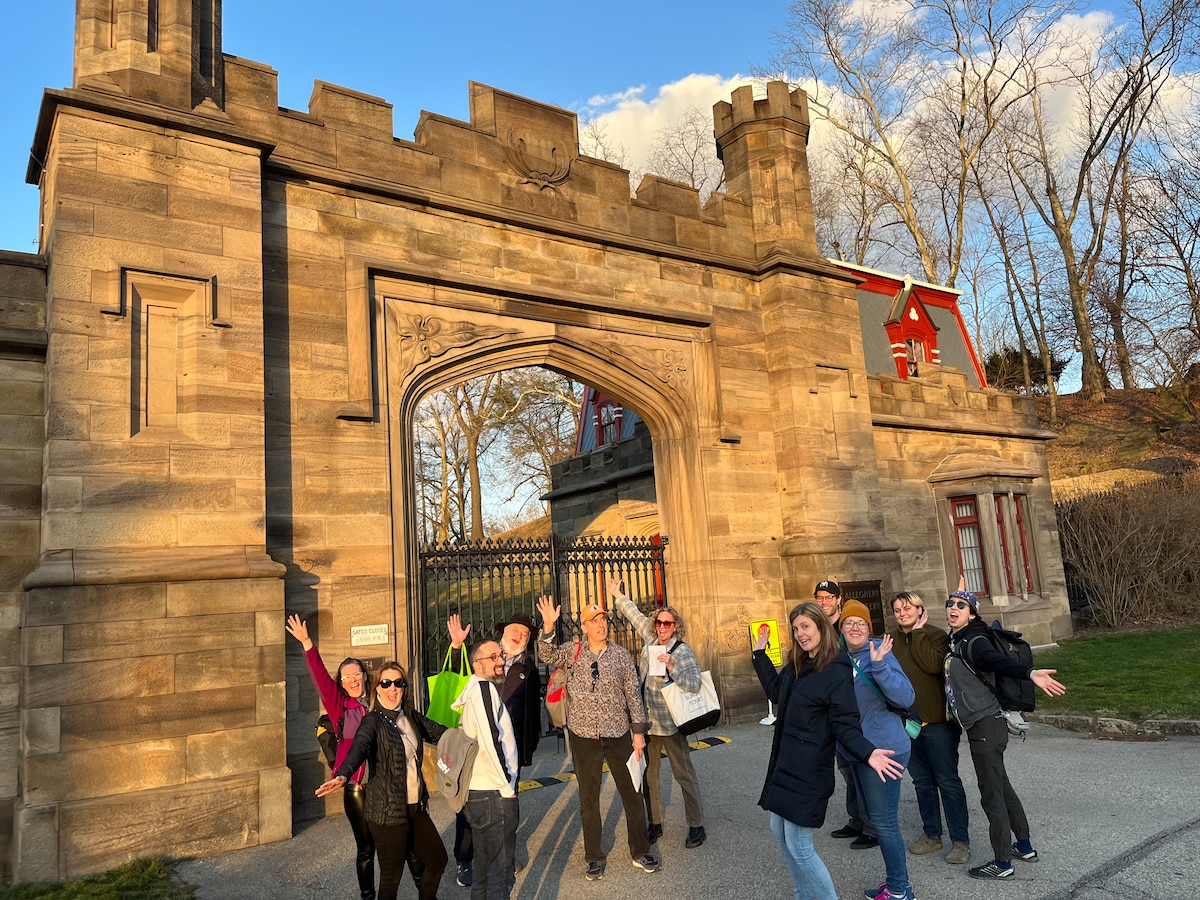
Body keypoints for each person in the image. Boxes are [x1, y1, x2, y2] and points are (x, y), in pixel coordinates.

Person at [753, 601, 905, 900]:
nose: (800, 634)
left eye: (805, 626)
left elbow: (845, 724)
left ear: (821, 627)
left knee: (800, 846)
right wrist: (760, 654)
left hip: (808, 770)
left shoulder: (835, 670)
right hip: (784, 764)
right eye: (795, 628)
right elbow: (776, 693)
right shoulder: (798, 665)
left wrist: (868, 753)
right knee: (780, 833)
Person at [536, 593, 660, 881]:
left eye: (603, 619)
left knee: (632, 793)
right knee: (588, 798)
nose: (601, 625)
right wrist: (548, 627)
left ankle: (640, 850)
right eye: (594, 620)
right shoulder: (573, 651)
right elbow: (546, 655)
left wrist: (638, 733)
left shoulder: (621, 655)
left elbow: (633, 695)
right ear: (584, 626)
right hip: (584, 736)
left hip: (618, 733)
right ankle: (594, 856)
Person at [944, 590, 1066, 880]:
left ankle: (1001, 863)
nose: (953, 608)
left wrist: (1030, 673)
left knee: (991, 795)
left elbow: (998, 661)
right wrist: (961, 589)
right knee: (1002, 786)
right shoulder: (959, 638)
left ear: (972, 614)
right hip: (986, 724)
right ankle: (1023, 846)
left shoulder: (975, 641)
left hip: (985, 725)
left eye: (961, 605)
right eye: (950, 604)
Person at [316, 661, 449, 900]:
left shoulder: (409, 715)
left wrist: (473, 737)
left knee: (438, 860)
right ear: (377, 687)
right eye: (386, 683)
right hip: (387, 811)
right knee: (391, 878)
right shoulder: (373, 720)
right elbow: (359, 747)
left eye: (398, 683)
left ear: (404, 687)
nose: (392, 688)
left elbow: (440, 732)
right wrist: (343, 774)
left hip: (415, 806)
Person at [607, 579, 707, 850]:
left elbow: (695, 684)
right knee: (649, 777)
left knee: (684, 775)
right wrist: (617, 594)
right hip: (648, 724)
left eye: (667, 624)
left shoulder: (682, 651)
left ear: (675, 627)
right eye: (659, 623)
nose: (662, 627)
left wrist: (673, 666)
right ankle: (656, 822)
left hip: (671, 724)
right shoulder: (651, 640)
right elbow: (634, 614)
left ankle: (696, 824)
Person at [445, 612, 542, 885]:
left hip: (508, 751)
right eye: (515, 629)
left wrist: (527, 749)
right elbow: (456, 677)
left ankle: (504, 858)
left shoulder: (528, 670)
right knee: (470, 808)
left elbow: (532, 713)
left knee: (506, 808)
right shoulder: (485, 657)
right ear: (503, 632)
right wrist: (456, 646)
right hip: (474, 750)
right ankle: (465, 860)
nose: (519, 636)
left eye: (524, 633)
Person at [285, 614, 377, 900]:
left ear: (365, 675)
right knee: (366, 847)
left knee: (392, 843)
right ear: (342, 682)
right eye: (346, 677)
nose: (352, 680)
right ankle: (367, 895)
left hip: (385, 783)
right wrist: (307, 644)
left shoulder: (378, 702)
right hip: (357, 786)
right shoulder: (340, 707)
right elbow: (321, 680)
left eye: (357, 674)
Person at [840, 600, 918, 900]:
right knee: (876, 819)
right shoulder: (842, 657)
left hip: (885, 750)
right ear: (841, 628)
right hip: (859, 751)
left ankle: (899, 890)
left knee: (885, 823)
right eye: (849, 622)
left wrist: (880, 666)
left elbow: (905, 697)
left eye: (861, 623)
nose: (855, 627)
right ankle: (896, 883)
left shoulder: (879, 652)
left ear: (868, 628)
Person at [888, 591, 971, 865]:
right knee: (922, 782)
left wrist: (919, 633)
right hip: (908, 724)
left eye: (908, 608)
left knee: (947, 781)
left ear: (920, 610)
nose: (902, 613)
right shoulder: (891, 640)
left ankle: (960, 841)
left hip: (938, 725)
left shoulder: (936, 636)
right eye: (898, 609)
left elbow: (932, 665)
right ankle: (932, 834)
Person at [451, 641, 520, 900]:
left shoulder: (474, 689)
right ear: (477, 664)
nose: (500, 660)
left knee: (484, 869)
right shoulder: (482, 689)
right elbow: (492, 740)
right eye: (493, 657)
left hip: (479, 792)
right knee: (501, 873)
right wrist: (507, 786)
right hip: (493, 792)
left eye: (500, 655)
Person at [815, 579, 878, 850]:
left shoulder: (847, 629)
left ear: (838, 599)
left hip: (854, 710)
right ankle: (857, 819)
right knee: (846, 768)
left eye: (829, 597)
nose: (824, 602)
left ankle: (873, 827)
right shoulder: (818, 628)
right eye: (820, 597)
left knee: (860, 767)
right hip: (832, 711)